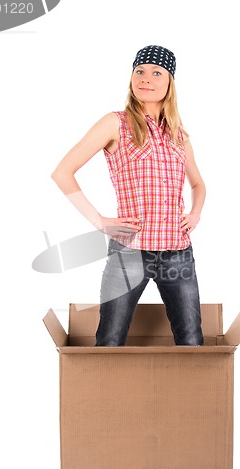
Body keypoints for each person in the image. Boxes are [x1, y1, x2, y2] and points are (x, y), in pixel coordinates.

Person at [51, 45, 206, 347]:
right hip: (130, 252)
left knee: (191, 341)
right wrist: (100, 222)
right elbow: (62, 172)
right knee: (110, 339)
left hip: (178, 251)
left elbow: (198, 183)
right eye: (140, 71)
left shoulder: (178, 134)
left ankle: (191, 394)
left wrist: (195, 212)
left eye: (156, 72)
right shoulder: (116, 123)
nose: (146, 78)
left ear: (170, 82)